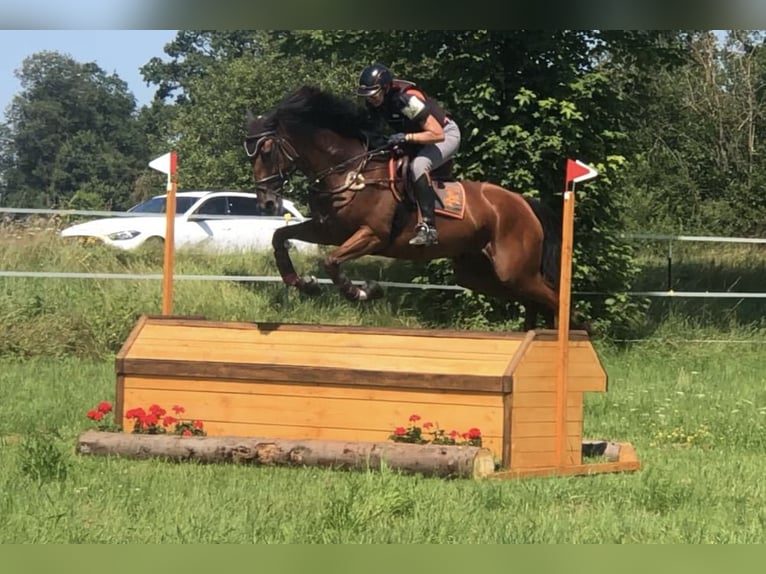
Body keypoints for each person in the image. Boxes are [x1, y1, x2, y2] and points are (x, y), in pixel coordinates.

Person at [356, 63, 461, 246]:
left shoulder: (406, 99)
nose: (370, 100)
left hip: (445, 135)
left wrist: (406, 137)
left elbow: (437, 134)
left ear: (386, 87)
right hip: (418, 137)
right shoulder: (376, 103)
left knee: (419, 165)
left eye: (374, 94)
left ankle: (429, 227)